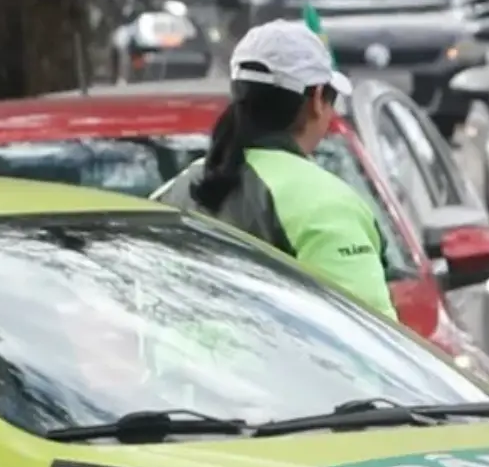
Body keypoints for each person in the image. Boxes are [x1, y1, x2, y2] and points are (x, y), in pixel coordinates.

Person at [156, 19, 398, 322]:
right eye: (332, 99)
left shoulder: (172, 193)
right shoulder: (323, 202)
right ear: (318, 100)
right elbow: (370, 339)